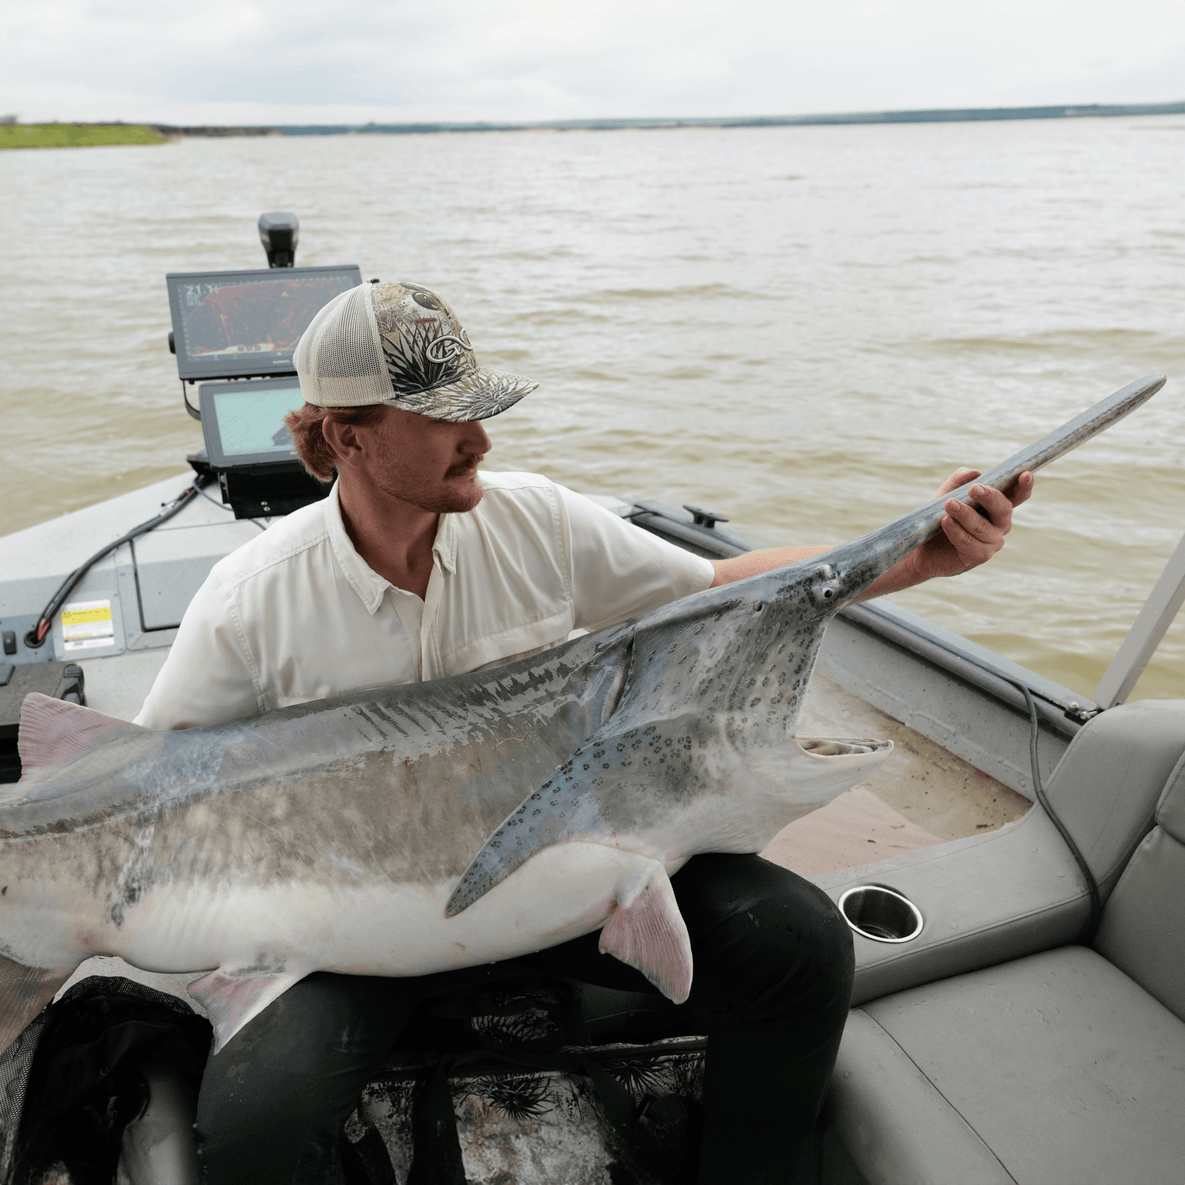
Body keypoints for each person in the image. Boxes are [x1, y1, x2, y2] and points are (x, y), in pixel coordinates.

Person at [136, 279, 1032, 1184]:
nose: (480, 440)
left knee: (795, 944)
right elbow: (142, 785)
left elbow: (718, 594)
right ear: (345, 436)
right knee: (254, 1130)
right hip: (353, 934)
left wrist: (925, 552)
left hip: (556, 881)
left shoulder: (536, 520)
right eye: (443, 418)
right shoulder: (251, 601)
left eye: (479, 411)